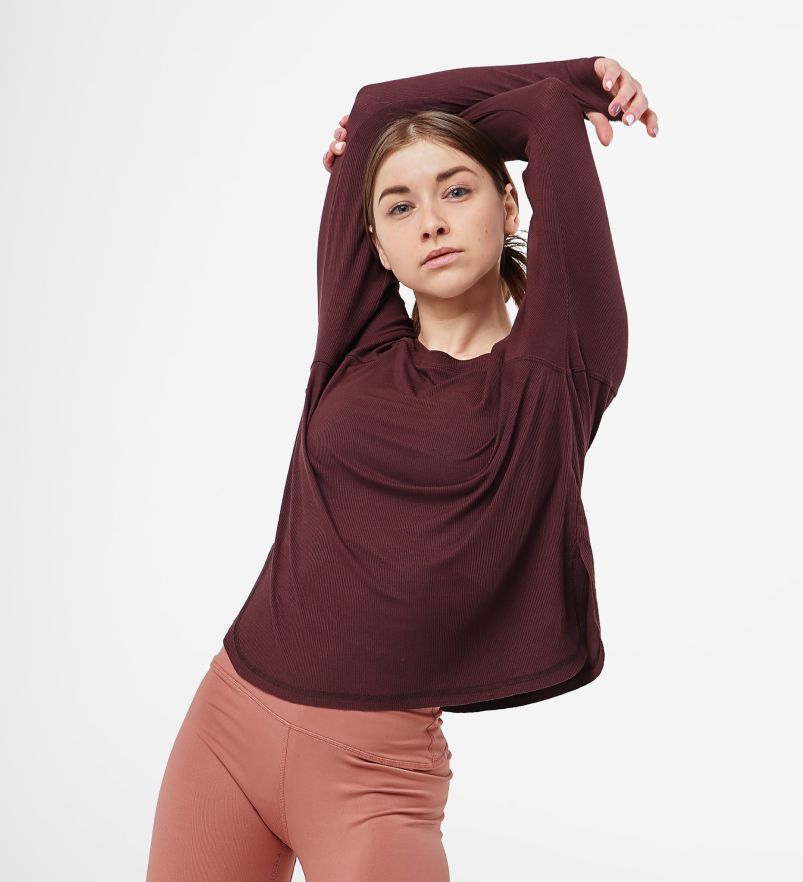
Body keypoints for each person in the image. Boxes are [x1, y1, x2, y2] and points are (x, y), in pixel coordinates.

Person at [146, 54, 656, 882]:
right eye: (399, 205)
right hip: (227, 723)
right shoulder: (358, 344)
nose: (431, 223)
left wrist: (576, 89)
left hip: (372, 781)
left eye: (458, 190)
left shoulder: (556, 369)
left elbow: (545, 117)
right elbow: (376, 106)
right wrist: (557, 86)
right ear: (377, 245)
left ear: (511, 203)